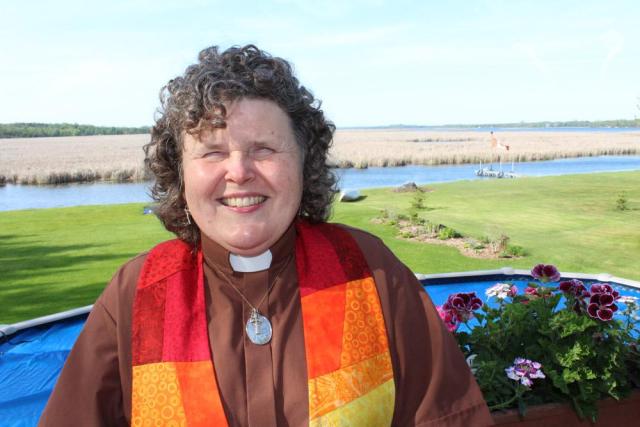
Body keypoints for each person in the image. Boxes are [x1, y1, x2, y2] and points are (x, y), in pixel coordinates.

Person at [39, 45, 493, 426]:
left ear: (303, 162)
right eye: (212, 152)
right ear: (180, 172)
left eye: (264, 149)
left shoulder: (368, 270)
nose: (238, 172)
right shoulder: (137, 294)